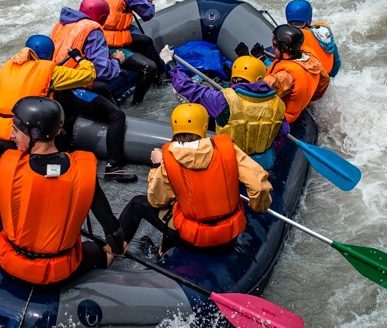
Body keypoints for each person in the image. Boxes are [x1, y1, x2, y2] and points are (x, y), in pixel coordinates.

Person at [0, 96, 124, 285]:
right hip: (59, 272)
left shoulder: (7, 168)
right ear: (58, 130)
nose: (11, 136)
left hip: (13, 265)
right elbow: (115, 238)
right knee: (95, 249)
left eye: (16, 131)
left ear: (33, 134)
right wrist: (116, 248)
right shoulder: (85, 172)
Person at [0, 34, 97, 212]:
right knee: (54, 144)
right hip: (19, 136)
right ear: (49, 54)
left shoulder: (8, 66)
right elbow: (88, 76)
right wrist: (80, 59)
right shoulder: (51, 70)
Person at [117, 103, 272, 252]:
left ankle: (114, 250)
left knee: (138, 203)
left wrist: (156, 166)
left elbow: (157, 201)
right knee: (178, 211)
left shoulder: (169, 158)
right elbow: (258, 185)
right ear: (205, 127)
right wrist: (258, 206)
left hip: (192, 239)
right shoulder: (228, 148)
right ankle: (163, 249)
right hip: (229, 235)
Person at [159, 48, 289, 168]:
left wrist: (170, 63)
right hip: (264, 163)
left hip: (231, 161)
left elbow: (187, 87)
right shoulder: (278, 103)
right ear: (260, 78)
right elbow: (283, 132)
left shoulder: (222, 99)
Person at [51, 0, 129, 173]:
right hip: (71, 88)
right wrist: (117, 61)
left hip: (54, 83)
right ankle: (114, 167)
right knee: (117, 115)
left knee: (101, 88)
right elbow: (103, 72)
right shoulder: (92, 30)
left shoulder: (62, 24)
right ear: (102, 18)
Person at [85, 0, 163, 101]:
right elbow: (147, 13)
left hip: (91, 35)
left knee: (146, 41)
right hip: (109, 43)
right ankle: (138, 102)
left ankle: (157, 78)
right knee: (149, 67)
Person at [263, 24, 324, 124]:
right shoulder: (311, 57)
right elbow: (324, 81)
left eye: (275, 45)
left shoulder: (285, 76)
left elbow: (260, 91)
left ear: (283, 49)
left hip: (283, 119)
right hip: (299, 108)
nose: (273, 48)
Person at [285, 0, 340, 101]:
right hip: (323, 83)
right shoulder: (324, 34)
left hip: (308, 87)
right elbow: (336, 63)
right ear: (309, 20)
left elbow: (284, 64)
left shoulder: (292, 40)